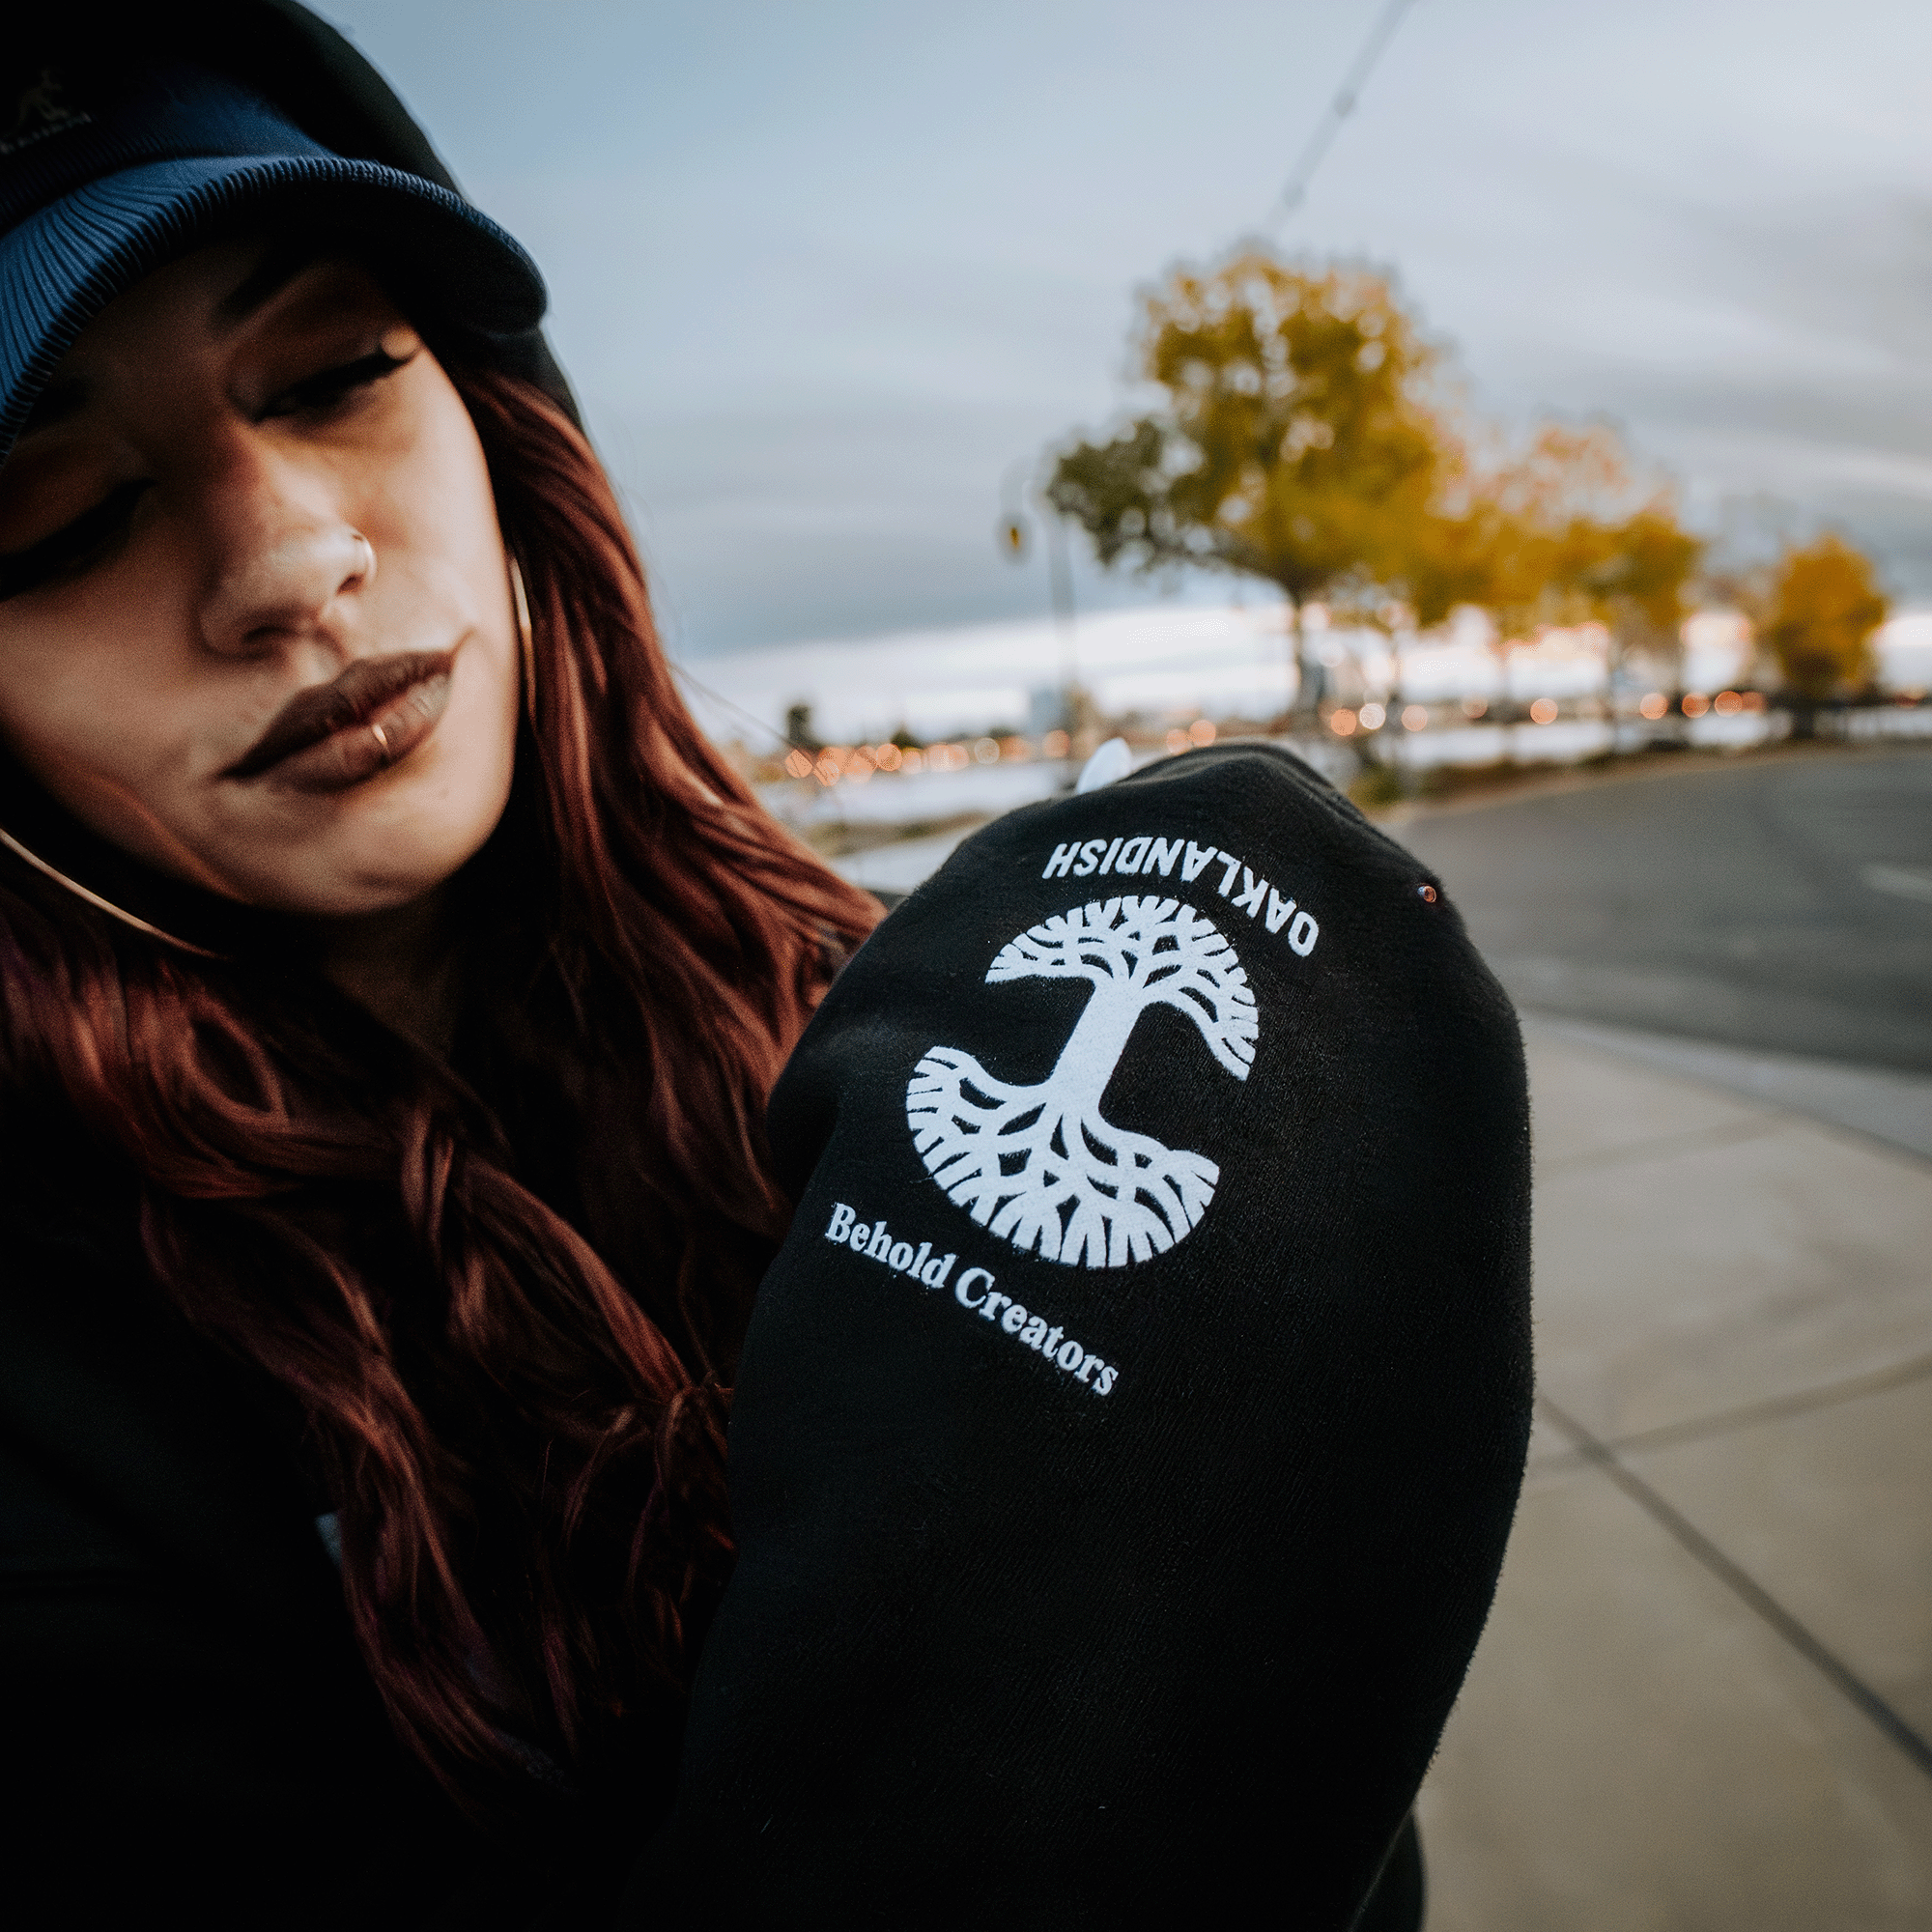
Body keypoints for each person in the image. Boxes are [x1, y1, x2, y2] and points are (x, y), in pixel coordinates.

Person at [2, 7, 1532, 1928]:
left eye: (330, 370)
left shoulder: (894, 1023)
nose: (290, 558)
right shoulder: (54, 1412)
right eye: (56, 515)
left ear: (497, 414)